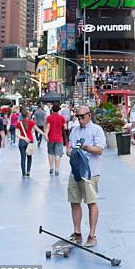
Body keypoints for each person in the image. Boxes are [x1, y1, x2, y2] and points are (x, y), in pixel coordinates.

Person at [67, 106, 106, 247]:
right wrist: (71, 151)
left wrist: (85, 147)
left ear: (89, 115)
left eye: (82, 116)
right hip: (75, 172)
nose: (80, 119)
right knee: (74, 201)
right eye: (78, 117)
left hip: (90, 173)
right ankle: (77, 233)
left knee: (91, 202)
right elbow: (69, 148)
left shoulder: (96, 130)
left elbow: (99, 149)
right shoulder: (75, 130)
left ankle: (92, 235)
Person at [16, 108, 45, 178]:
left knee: (23, 158)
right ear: (28, 115)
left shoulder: (19, 123)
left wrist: (23, 138)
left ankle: (23, 173)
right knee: (29, 157)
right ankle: (28, 172)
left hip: (22, 142)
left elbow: (17, 134)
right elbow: (38, 130)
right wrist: (45, 135)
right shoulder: (31, 122)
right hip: (30, 141)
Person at [45, 103, 66, 176]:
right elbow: (65, 127)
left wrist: (46, 135)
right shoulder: (62, 118)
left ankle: (51, 168)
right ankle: (57, 170)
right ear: (59, 110)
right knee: (58, 154)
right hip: (59, 138)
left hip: (50, 138)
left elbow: (48, 127)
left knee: (50, 153)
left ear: (52, 109)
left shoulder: (49, 117)